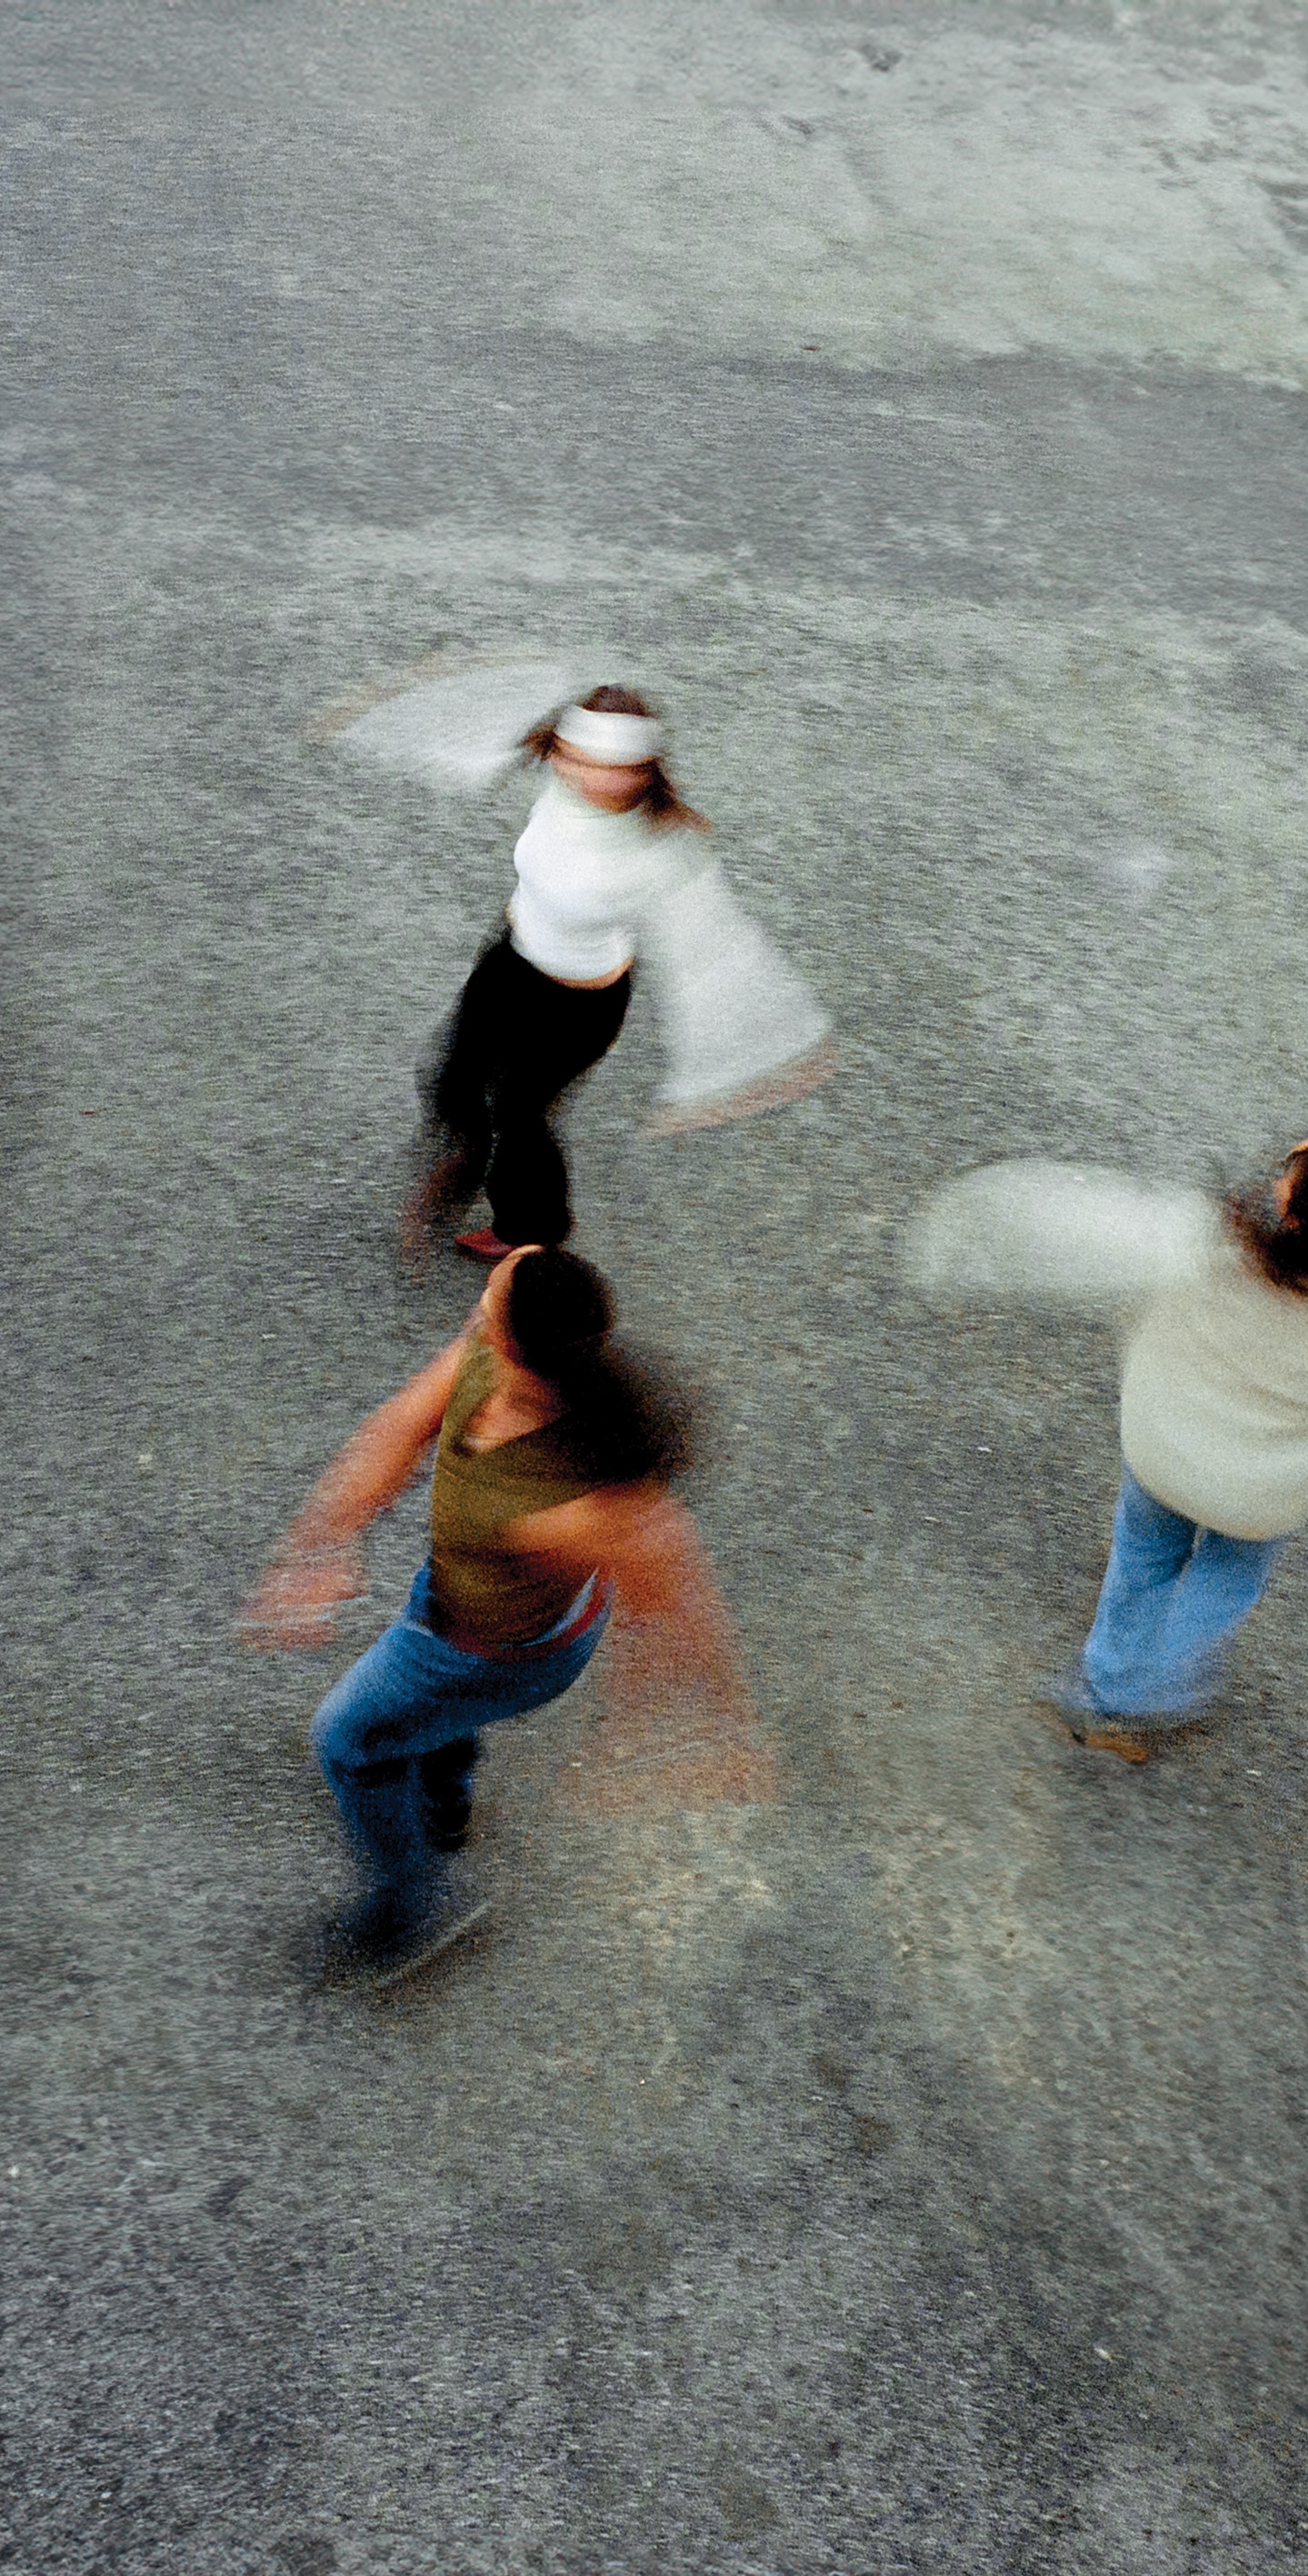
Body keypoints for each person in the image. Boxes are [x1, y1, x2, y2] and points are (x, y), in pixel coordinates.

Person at [240, 1245, 771, 1984]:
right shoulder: (501, 1348)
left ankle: (410, 1913)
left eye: (489, 1303)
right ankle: (441, 1804)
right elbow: (402, 1425)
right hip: (458, 1601)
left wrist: (712, 1728)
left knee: (346, 1739)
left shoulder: (576, 1504)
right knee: (425, 1724)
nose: (480, 1300)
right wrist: (324, 1543)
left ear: (515, 1350)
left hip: (496, 1652)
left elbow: (676, 1586)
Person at [904, 1132, 1308, 1762]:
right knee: (1227, 1578)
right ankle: (1152, 1686)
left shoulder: (1211, 1254)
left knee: (1142, 1556)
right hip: (1266, 1492)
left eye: (1287, 1179)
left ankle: (1108, 1682)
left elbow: (1080, 1228)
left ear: (1294, 1222)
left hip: (1167, 1455)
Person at [404, 685, 830, 1263]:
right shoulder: (560, 773)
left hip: (574, 1009)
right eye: (577, 761)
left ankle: (531, 1226)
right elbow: (475, 737)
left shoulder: (660, 849)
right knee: (455, 1075)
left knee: (521, 1115)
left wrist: (733, 1070)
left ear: (643, 771)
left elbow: (712, 957)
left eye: (615, 769)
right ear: (558, 752)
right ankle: (466, 1159)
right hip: (509, 957)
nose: (592, 780)